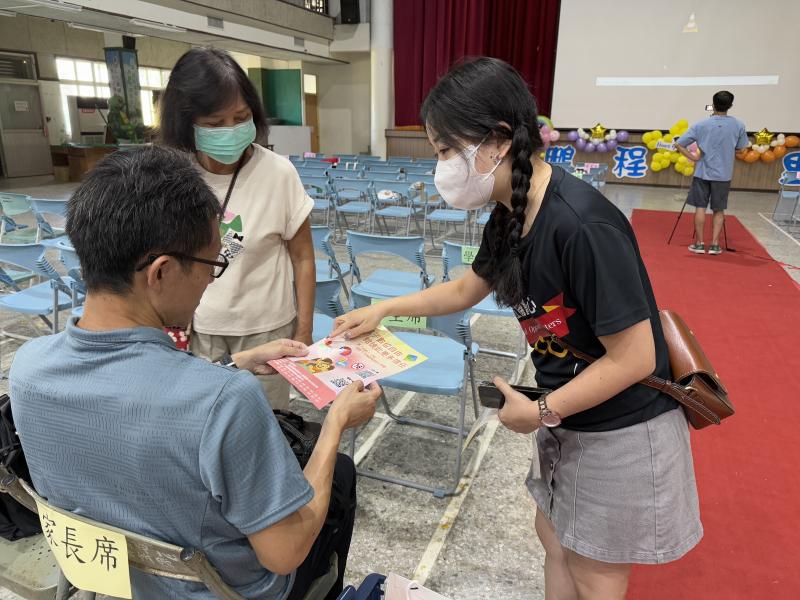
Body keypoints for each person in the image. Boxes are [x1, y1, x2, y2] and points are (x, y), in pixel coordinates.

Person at [331, 58, 702, 600]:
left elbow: (636, 357)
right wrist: (385, 309)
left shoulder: (582, 224)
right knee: (552, 538)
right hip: (570, 412)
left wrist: (542, 412)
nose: (439, 167)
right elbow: (465, 288)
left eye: (443, 150)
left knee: (593, 572)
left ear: (498, 141)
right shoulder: (511, 210)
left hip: (619, 427)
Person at [10, 147, 381, 599]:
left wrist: (236, 362)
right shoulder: (227, 401)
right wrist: (337, 422)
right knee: (335, 472)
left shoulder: (28, 367)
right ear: (161, 272)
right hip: (217, 590)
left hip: (103, 575)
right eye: (211, 266)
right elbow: (284, 553)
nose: (211, 281)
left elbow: (138, 395)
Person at [159, 48, 316, 410]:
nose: (230, 131)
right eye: (215, 124)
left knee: (270, 423)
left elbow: (304, 256)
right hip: (199, 329)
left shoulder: (278, 173)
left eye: (241, 117)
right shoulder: (172, 177)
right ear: (186, 123)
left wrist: (304, 329)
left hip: (268, 326)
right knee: (203, 420)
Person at [676, 90, 749, 255]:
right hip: (723, 175)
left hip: (702, 173)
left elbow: (679, 144)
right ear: (730, 105)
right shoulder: (738, 125)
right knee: (719, 209)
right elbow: (742, 149)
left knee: (700, 207)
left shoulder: (701, 124)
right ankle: (715, 244)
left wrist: (693, 158)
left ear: (713, 104)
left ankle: (700, 243)